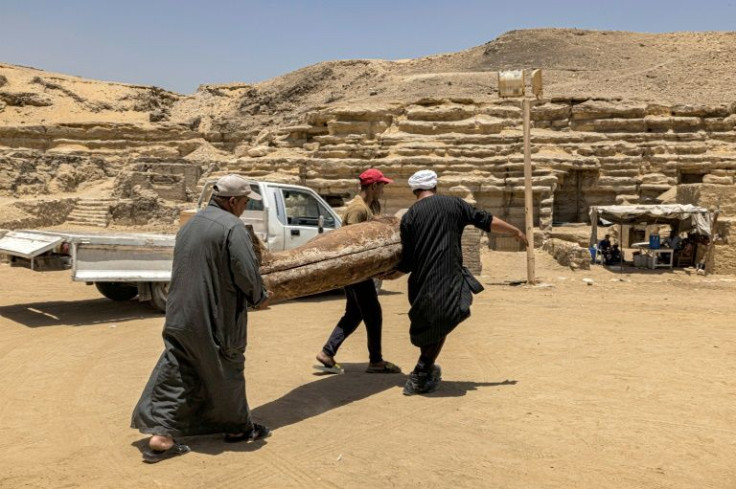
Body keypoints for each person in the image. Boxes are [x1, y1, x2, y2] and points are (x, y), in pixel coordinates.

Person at [131, 174, 271, 463]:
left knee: (179, 371)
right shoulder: (233, 227)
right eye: (245, 202)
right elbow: (246, 271)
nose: (245, 207)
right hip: (215, 319)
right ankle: (237, 429)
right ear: (232, 201)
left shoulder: (191, 223)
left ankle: (161, 436)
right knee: (227, 369)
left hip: (180, 316)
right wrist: (259, 296)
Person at [396, 169, 528, 395]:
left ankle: (424, 370)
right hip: (447, 278)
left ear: (414, 191)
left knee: (437, 322)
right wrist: (514, 231)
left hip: (420, 284)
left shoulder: (410, 216)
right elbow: (486, 220)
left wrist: (391, 273)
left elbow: (407, 260)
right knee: (446, 319)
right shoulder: (453, 204)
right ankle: (420, 374)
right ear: (435, 186)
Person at [315, 169, 401, 375]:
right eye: (381, 185)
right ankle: (376, 361)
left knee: (354, 313)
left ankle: (327, 352)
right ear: (372, 187)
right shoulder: (357, 209)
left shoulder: (372, 206)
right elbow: (353, 240)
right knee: (373, 313)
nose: (383, 189)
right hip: (356, 270)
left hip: (362, 270)